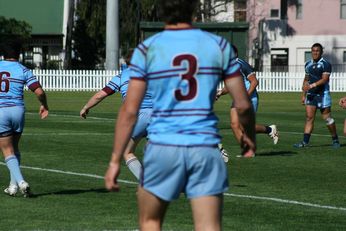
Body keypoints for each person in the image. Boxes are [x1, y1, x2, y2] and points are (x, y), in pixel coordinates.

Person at [104, 1, 256, 230]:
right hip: (204, 147)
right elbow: (243, 105)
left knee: (150, 222)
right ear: (192, 10)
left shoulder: (147, 49)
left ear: (162, 12)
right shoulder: (218, 46)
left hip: (163, 146)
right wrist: (250, 138)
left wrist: (116, 160)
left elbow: (129, 111)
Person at [80, 50, 152, 180]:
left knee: (127, 152)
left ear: (127, 62)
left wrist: (86, 107)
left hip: (137, 115)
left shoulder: (122, 76)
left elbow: (100, 95)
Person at [0, 38, 49, 197]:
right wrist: (44, 105)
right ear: (19, 54)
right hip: (18, 111)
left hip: (2, 110)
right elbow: (39, 92)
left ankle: (21, 182)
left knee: (7, 150)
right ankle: (12, 186)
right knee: (15, 147)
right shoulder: (24, 69)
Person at [216, 45, 279, 158]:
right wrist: (220, 92)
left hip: (249, 98)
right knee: (235, 125)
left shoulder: (241, 64)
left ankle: (270, 129)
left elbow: (254, 82)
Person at [293, 43, 340, 148]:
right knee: (309, 118)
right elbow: (306, 79)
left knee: (327, 118)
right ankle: (305, 142)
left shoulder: (325, 64)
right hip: (311, 95)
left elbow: (325, 79)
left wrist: (311, 85)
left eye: (317, 51)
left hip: (323, 95)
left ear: (321, 52)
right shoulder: (308, 64)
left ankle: (335, 139)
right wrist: (303, 94)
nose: (315, 53)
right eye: (313, 51)